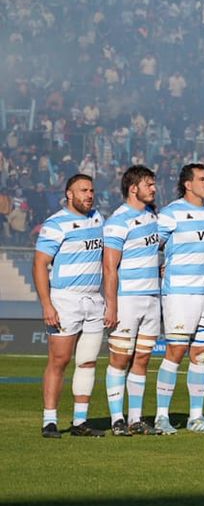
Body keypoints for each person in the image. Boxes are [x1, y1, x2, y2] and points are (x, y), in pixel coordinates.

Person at [35, 174, 105, 438]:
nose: (89, 195)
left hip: (94, 300)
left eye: (91, 190)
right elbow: (40, 265)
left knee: (87, 362)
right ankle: (49, 421)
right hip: (65, 299)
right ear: (69, 194)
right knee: (60, 360)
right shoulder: (55, 224)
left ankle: (80, 422)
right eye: (83, 190)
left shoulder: (98, 219)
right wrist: (47, 304)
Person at [156, 163, 204, 434]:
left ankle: (196, 418)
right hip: (180, 294)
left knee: (201, 355)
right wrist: (157, 268)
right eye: (203, 179)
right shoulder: (170, 214)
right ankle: (161, 416)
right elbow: (148, 247)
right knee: (175, 352)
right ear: (187, 184)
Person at [101, 165, 161, 436]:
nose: (154, 189)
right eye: (149, 184)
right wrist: (111, 305)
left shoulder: (152, 216)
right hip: (127, 300)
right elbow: (109, 267)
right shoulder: (118, 220)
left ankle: (135, 418)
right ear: (133, 188)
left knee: (143, 358)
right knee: (120, 358)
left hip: (152, 298)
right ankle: (117, 419)